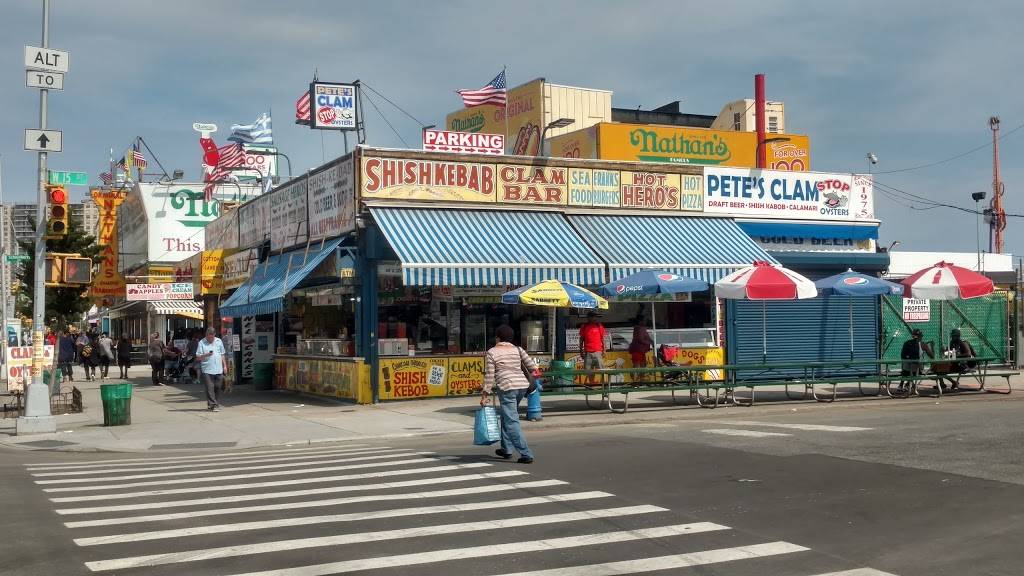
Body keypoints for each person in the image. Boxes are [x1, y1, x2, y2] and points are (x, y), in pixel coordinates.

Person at [480, 324, 537, 464]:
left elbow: (489, 375)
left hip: (507, 386)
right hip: (522, 386)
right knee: (508, 416)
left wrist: (485, 395)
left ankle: (526, 453)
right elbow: (533, 367)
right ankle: (506, 449)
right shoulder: (518, 349)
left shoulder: (492, 352)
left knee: (511, 420)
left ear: (498, 337)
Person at [196, 327, 227, 411]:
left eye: (212, 337)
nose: (211, 339)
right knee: (210, 387)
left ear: (214, 335)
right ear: (206, 335)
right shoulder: (201, 343)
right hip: (207, 369)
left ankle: (215, 404)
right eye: (209, 337)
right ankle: (212, 405)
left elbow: (222, 354)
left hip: (218, 369)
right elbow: (198, 357)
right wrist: (205, 355)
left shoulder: (219, 341)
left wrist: (224, 366)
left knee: (217, 387)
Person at [899, 328, 933, 394]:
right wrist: (932, 347)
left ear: (912, 336)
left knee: (908, 366)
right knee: (915, 366)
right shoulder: (923, 345)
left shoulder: (906, 343)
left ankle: (903, 384)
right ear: (920, 336)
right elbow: (931, 356)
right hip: (918, 370)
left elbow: (902, 356)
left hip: (905, 371)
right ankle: (908, 384)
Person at [578, 312, 606, 386]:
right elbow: (581, 340)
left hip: (598, 351)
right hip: (588, 352)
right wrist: (581, 351)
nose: (594, 318)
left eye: (595, 317)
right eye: (593, 317)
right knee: (589, 370)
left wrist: (604, 350)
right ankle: (591, 384)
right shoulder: (584, 326)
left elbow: (603, 339)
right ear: (588, 318)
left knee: (601, 369)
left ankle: (603, 384)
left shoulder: (599, 326)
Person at [628, 315, 653, 382]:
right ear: (640, 321)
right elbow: (641, 339)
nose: (645, 322)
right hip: (638, 350)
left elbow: (645, 338)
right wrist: (649, 342)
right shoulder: (639, 328)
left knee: (642, 366)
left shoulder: (641, 328)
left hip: (641, 350)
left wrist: (651, 341)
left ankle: (641, 380)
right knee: (637, 366)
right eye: (644, 320)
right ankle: (635, 381)